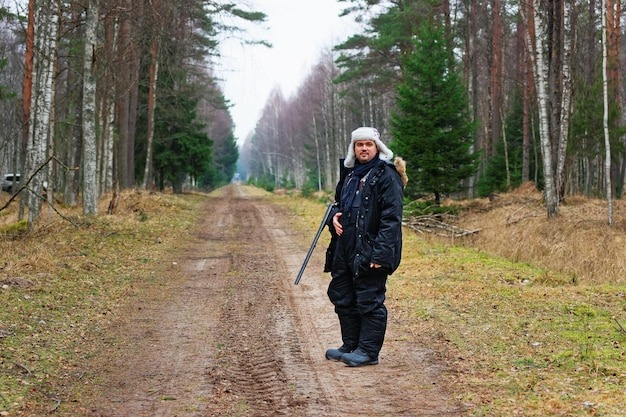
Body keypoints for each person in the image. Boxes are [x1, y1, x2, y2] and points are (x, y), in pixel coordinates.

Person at [325, 126, 406, 367]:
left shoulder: (387, 175)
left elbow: (392, 219)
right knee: (343, 295)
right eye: (359, 144)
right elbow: (341, 205)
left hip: (370, 249)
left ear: (377, 147)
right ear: (354, 148)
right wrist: (335, 216)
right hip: (346, 247)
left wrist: (381, 253)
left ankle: (368, 352)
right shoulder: (350, 175)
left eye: (368, 144)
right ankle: (350, 345)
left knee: (369, 299)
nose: (363, 148)